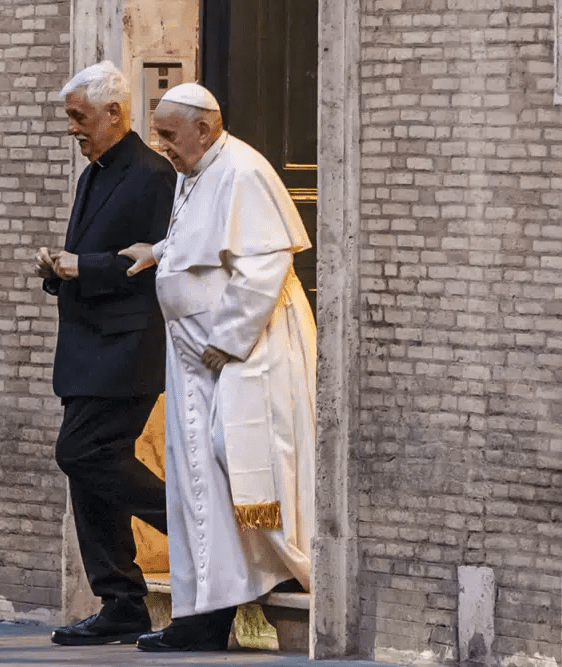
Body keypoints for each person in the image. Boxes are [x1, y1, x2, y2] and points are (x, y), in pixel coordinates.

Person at [118, 83, 316, 652]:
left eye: (168, 134)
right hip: (197, 361)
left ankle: (269, 581)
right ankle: (202, 614)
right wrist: (159, 252)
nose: (160, 145)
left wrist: (227, 340)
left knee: (236, 469)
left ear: (204, 129)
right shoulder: (197, 168)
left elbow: (264, 264)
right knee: (197, 486)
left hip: (246, 356)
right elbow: (202, 236)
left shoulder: (244, 171)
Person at [35, 61, 176, 646]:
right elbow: (92, 256)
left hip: (127, 349)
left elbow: (164, 261)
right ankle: (120, 602)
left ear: (114, 113)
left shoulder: (153, 175)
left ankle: (192, 528)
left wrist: (83, 267)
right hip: (86, 349)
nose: (72, 128)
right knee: (88, 470)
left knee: (82, 453)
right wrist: (58, 269)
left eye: (79, 117)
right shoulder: (92, 173)